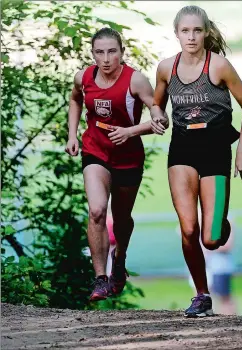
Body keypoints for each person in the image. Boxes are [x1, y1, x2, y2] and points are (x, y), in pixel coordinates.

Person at [152, 5, 242, 317]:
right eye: (185, 31)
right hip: (181, 152)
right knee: (188, 229)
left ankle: (219, 222)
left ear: (206, 32)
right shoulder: (166, 68)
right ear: (176, 34)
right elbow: (156, 104)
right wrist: (157, 115)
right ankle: (202, 294)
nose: (191, 36)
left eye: (197, 30)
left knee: (210, 239)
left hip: (215, 152)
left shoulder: (220, 66)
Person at [65, 27, 168, 301]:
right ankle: (100, 279)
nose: (106, 58)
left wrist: (131, 131)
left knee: (121, 219)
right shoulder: (84, 77)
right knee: (97, 211)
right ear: (93, 54)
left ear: (122, 52)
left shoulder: (135, 81)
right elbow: (75, 99)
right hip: (94, 151)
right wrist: (72, 134)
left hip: (128, 157)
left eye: (112, 51)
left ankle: (119, 259)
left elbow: (160, 117)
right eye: (100, 52)